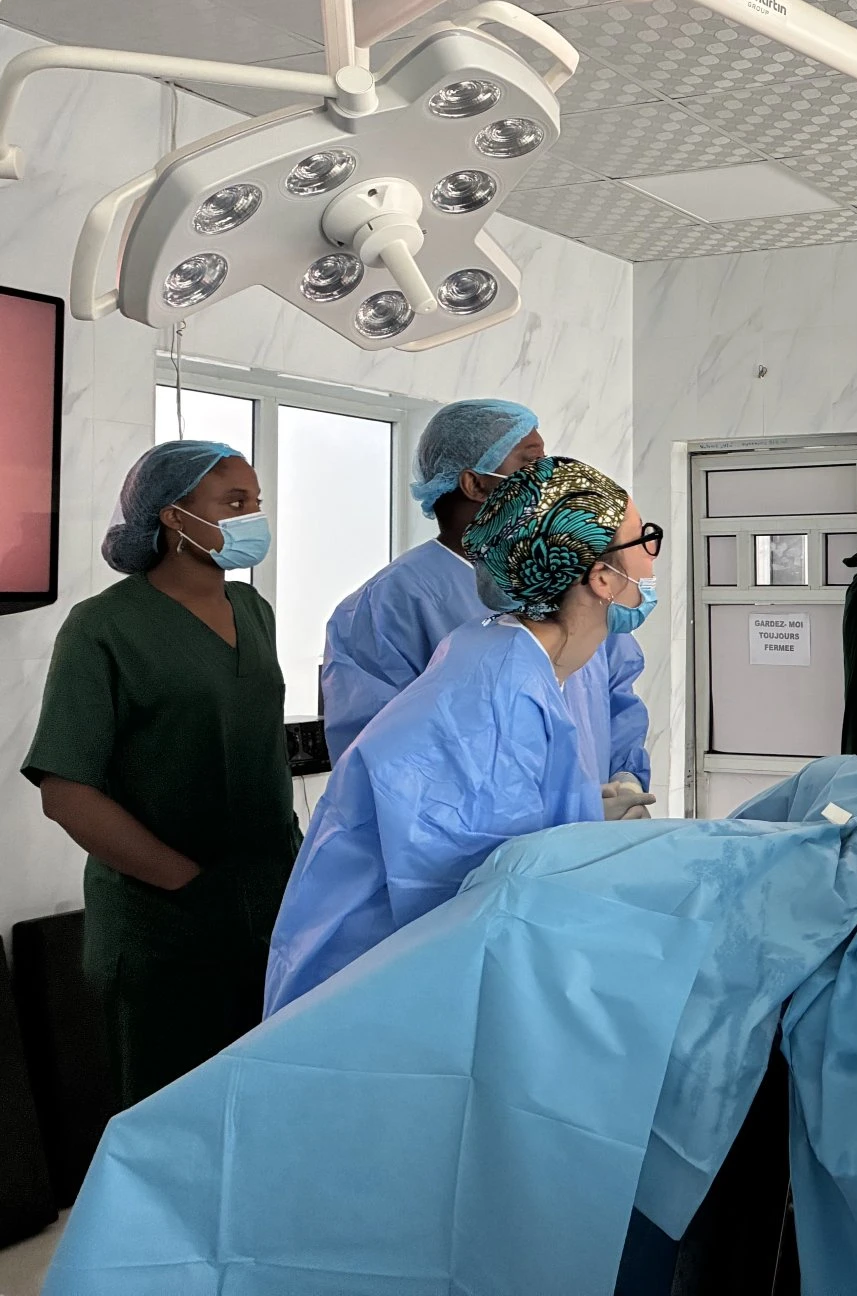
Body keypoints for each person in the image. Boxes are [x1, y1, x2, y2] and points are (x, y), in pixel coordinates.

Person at [264, 456, 660, 1015]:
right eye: (644, 540)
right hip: (375, 991)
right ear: (601, 578)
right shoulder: (498, 694)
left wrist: (574, 816)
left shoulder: (505, 651)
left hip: (408, 972)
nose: (650, 558)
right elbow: (474, 891)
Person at [21, 442, 300, 1109]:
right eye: (234, 502)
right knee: (173, 1118)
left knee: (265, 1106)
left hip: (272, 908)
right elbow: (67, 790)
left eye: (256, 502)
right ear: (174, 517)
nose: (253, 517)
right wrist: (190, 885)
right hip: (164, 929)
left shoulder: (254, 611)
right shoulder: (103, 627)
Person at [321, 398, 652, 796]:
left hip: (590, 826)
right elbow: (380, 763)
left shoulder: (572, 581)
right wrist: (529, 817)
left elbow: (616, 692)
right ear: (476, 484)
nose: (547, 478)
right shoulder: (387, 605)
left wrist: (625, 779)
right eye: (531, 462)